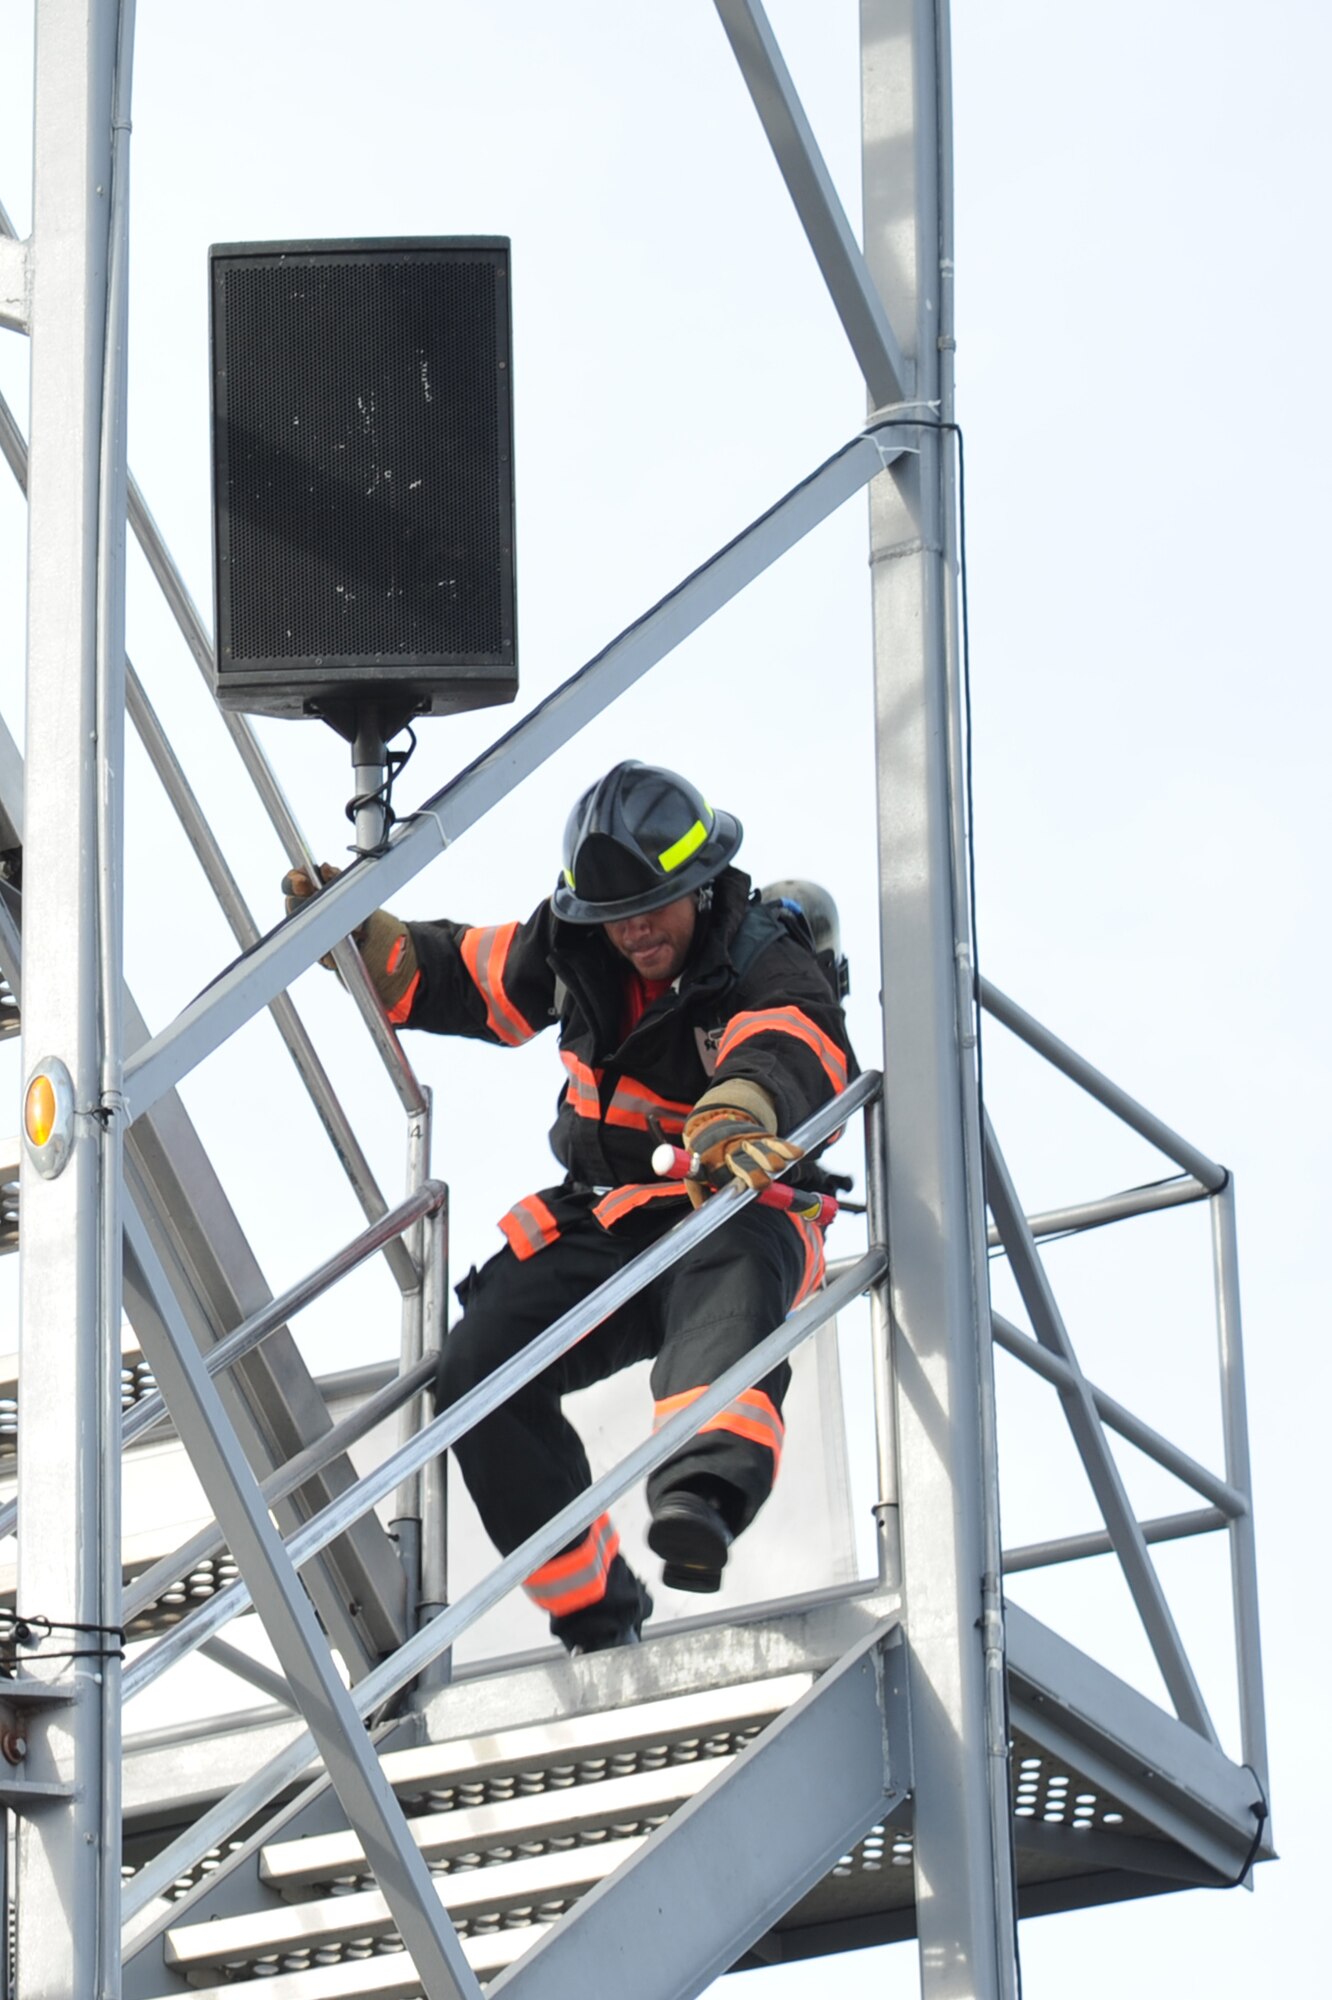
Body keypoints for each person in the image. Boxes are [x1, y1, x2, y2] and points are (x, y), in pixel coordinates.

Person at [284, 760, 856, 1653]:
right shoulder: (575, 941)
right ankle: (594, 1610)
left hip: (734, 1204)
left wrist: (738, 1109)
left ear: (702, 890)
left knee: (727, 1292)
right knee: (479, 1371)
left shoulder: (760, 956)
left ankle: (698, 1501)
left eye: (653, 909)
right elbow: (475, 980)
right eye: (615, 917)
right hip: (610, 1217)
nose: (634, 933)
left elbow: (794, 1039)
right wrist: (374, 953)